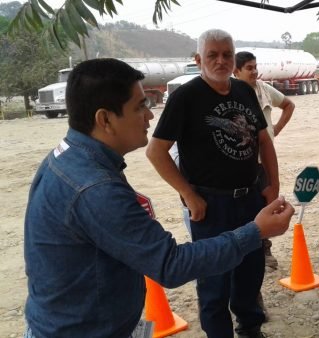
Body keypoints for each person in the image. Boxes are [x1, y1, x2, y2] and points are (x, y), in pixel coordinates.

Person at [22, 58, 294, 338]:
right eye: (139, 106)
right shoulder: (95, 189)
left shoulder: (69, 156)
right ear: (105, 119)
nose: (149, 116)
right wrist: (256, 231)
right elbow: (171, 264)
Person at [145, 29, 279, 338]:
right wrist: (188, 194)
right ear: (198, 60)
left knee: (250, 272)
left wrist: (273, 183)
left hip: (250, 199)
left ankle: (250, 329)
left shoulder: (244, 91)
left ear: (234, 58)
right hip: (211, 206)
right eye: (212, 55)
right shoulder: (185, 97)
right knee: (214, 282)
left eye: (227, 55)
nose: (221, 61)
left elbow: (263, 141)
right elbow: (156, 151)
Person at [234, 50, 296, 270]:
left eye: (255, 66)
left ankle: (265, 249)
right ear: (236, 71)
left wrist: (276, 129)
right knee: (247, 205)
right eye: (249, 68)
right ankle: (249, 251)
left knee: (267, 200)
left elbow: (289, 105)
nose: (254, 71)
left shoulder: (264, 90)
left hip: (266, 159)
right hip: (243, 161)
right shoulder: (231, 94)